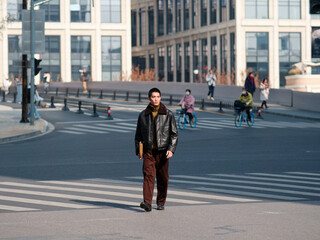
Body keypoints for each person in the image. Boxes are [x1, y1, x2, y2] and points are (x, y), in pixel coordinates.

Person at [135, 88, 178, 212]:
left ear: (160, 98)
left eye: (158, 97)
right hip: (148, 152)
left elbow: (174, 134)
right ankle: (147, 203)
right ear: (149, 98)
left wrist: (171, 149)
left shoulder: (168, 114)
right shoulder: (143, 115)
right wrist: (139, 150)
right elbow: (138, 135)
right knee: (148, 176)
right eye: (153, 97)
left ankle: (160, 201)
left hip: (163, 152)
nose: (155, 99)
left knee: (163, 177)